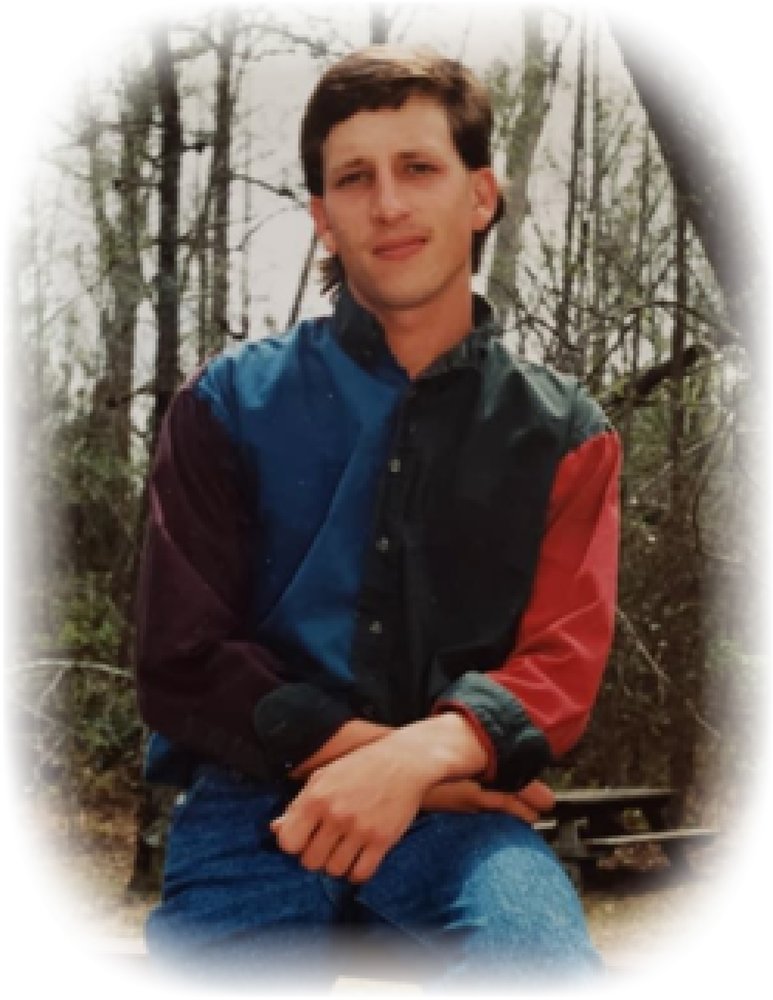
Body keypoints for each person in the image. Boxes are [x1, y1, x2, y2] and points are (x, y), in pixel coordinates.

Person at [135, 45, 620, 991]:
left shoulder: (567, 435)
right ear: (322, 216)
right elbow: (181, 657)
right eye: (354, 178)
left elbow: (559, 665)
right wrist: (395, 766)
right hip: (252, 803)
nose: (388, 204)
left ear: (480, 195)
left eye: (419, 168)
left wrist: (424, 766)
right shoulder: (225, 405)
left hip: (463, 826)